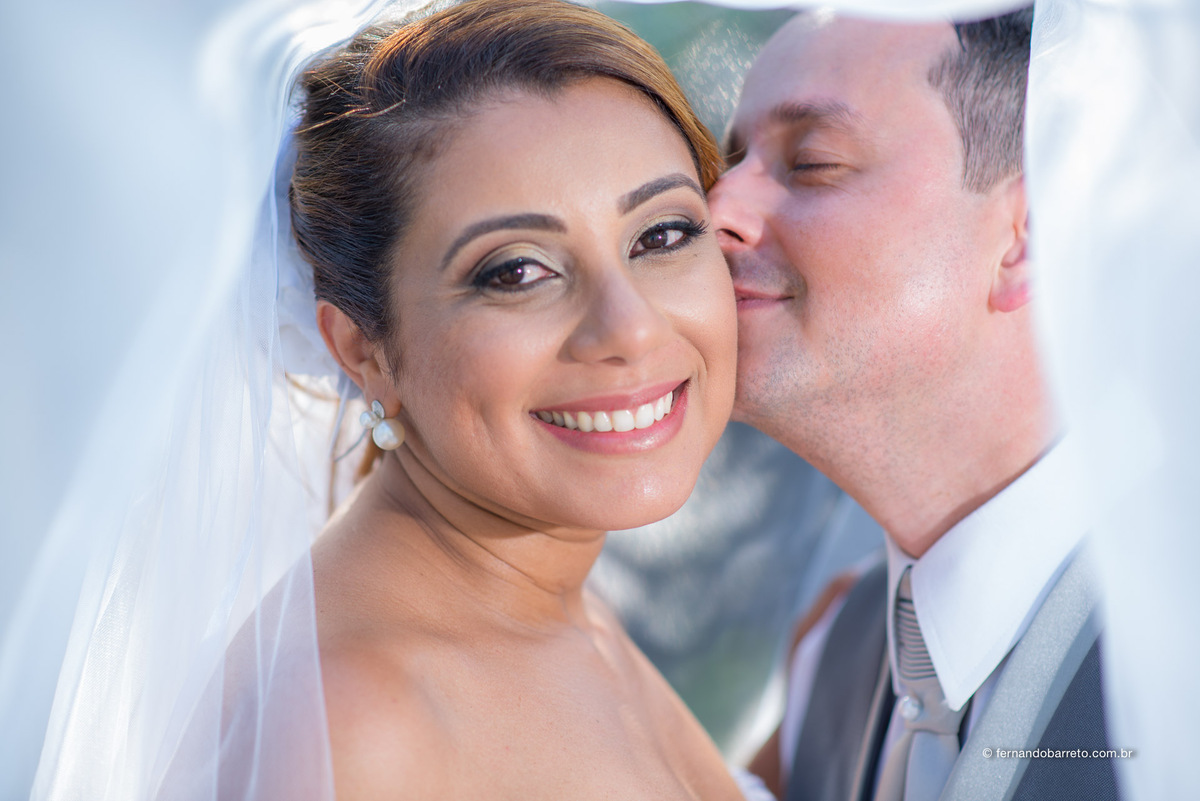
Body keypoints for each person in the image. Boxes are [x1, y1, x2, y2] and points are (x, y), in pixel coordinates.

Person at [280, 0, 752, 797]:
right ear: (366, 350)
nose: (629, 330)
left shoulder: (551, 593)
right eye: (517, 271)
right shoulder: (355, 724)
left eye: (661, 235)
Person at [709, 8, 1121, 801]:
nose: (713, 205)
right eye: (730, 161)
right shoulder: (836, 650)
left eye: (811, 160)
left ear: (1028, 235)